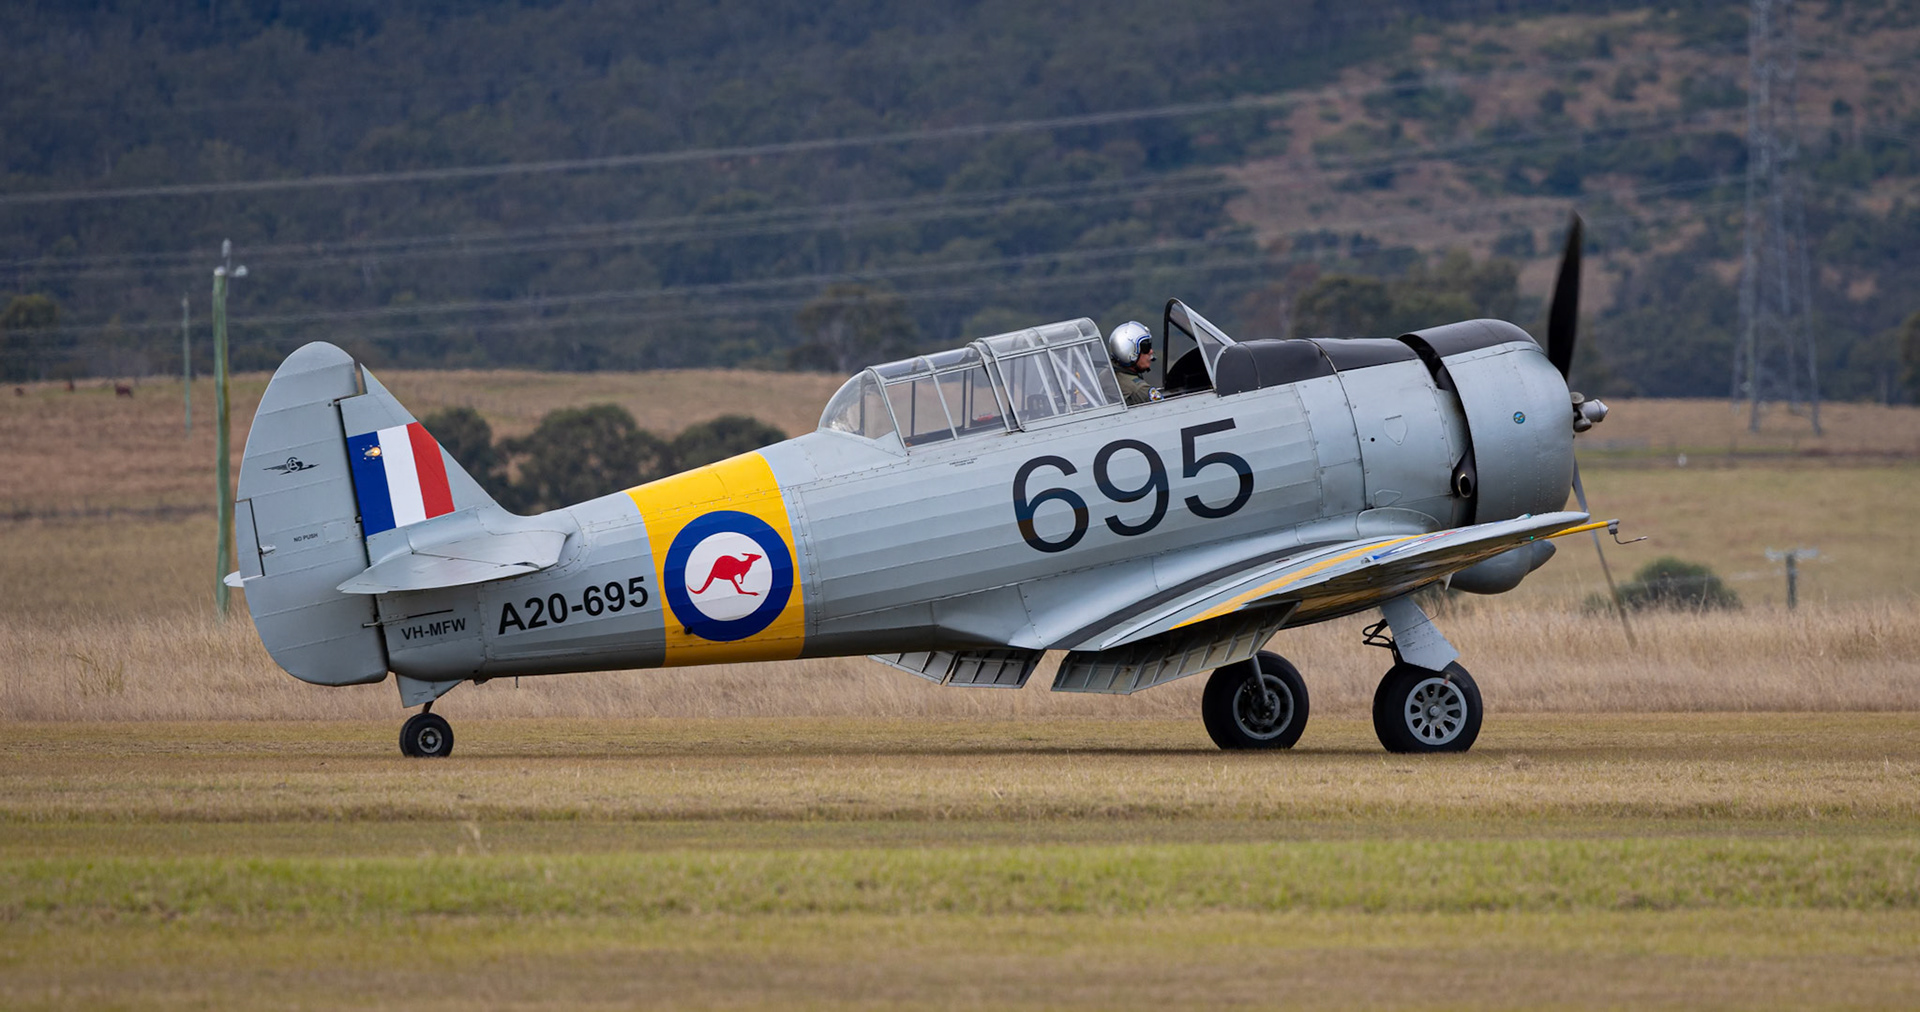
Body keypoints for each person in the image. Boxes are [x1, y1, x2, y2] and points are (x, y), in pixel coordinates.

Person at [1107, 320, 1161, 406]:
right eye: (1145, 347)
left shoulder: (1104, 375)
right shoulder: (1141, 391)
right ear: (1129, 352)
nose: (1151, 351)